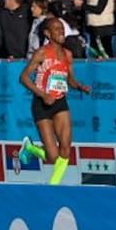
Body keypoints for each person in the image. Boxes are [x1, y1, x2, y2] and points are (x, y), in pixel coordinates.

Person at [20, 16, 91, 181]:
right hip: (42, 104)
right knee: (53, 157)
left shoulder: (68, 54)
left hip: (60, 102)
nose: (61, 31)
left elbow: (70, 80)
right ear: (47, 33)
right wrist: (43, 95)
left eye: (61, 28)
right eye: (56, 28)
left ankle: (54, 187)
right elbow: (23, 77)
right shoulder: (42, 53)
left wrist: (80, 86)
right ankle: (30, 148)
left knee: (65, 150)